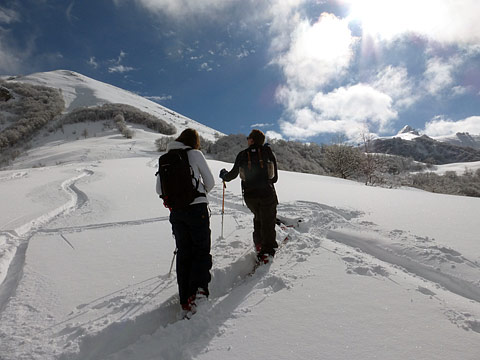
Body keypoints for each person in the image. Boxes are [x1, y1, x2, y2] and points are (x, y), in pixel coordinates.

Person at [156, 128, 215, 316]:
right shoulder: (195, 154)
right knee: (201, 249)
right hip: (197, 209)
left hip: (177, 213)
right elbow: (210, 182)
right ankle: (198, 292)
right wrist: (199, 191)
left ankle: (185, 297)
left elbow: (159, 190)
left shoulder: (165, 159)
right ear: (194, 141)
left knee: (184, 252)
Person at [219, 129, 279, 264]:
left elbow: (232, 175)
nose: (247, 140)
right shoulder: (268, 152)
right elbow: (274, 178)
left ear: (252, 140)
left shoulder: (242, 154)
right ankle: (267, 252)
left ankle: (259, 245)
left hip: (250, 196)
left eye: (248, 138)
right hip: (266, 193)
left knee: (258, 217)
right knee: (268, 220)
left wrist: (224, 175)